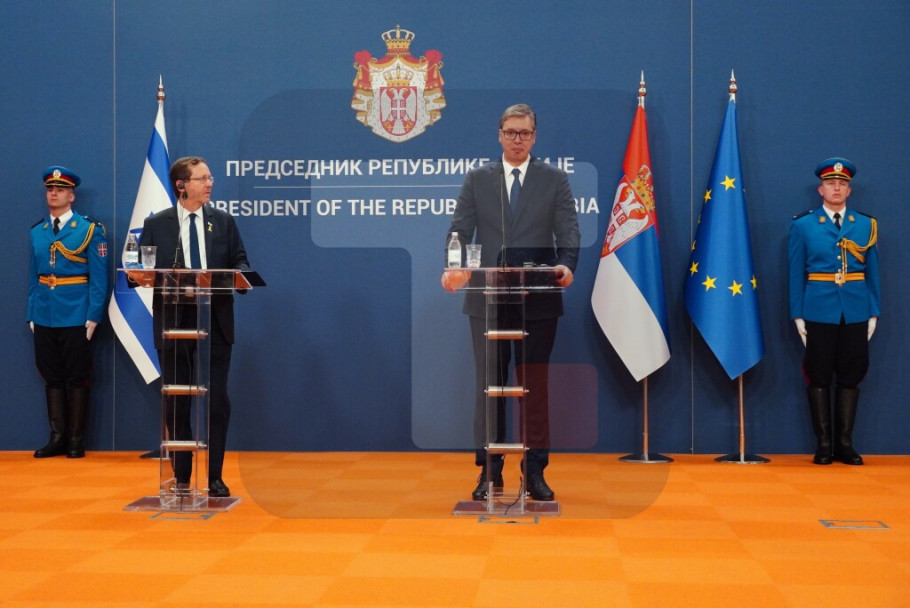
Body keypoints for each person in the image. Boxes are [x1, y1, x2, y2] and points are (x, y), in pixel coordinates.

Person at [441, 104, 580, 501]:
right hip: (487, 301)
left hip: (537, 301)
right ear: (499, 135)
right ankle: (490, 470)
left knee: (534, 387)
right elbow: (459, 231)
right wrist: (456, 267)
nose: (517, 139)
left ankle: (534, 471)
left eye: (525, 133)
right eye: (511, 132)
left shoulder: (554, 180)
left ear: (534, 137)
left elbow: (568, 233)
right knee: (489, 388)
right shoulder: (477, 179)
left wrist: (566, 266)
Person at [136, 156, 250, 497]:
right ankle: (182, 476)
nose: (210, 183)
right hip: (174, 321)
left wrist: (240, 276)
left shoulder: (223, 221)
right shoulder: (157, 224)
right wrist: (142, 274)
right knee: (177, 401)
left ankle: (214, 476)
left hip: (214, 319)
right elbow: (143, 267)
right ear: (181, 185)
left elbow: (240, 260)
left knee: (217, 400)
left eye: (210, 177)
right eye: (202, 178)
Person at [788, 157, 880, 466]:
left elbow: (872, 272)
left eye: (842, 184)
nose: (836, 188)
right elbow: (795, 273)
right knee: (819, 374)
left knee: (851, 375)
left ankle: (845, 443)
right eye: (830, 184)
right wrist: (798, 315)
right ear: (821, 190)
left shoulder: (865, 225)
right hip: (818, 308)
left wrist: (873, 312)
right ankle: (824, 444)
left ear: (849, 190)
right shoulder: (803, 225)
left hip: (855, 308)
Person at [27, 166, 109, 458]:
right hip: (44, 312)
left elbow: (99, 277)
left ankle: (75, 439)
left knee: (76, 376)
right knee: (51, 375)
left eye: (60, 190)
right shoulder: (38, 231)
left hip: (76, 312)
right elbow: (34, 275)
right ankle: (57, 437)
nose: (54, 194)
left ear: (72, 196)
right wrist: (31, 312)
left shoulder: (89, 230)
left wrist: (94, 314)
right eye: (50, 189)